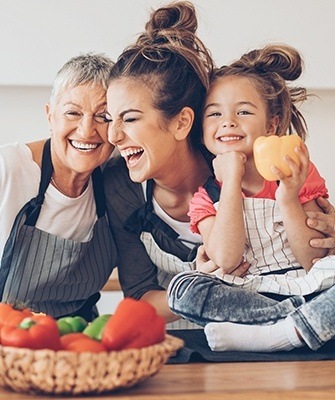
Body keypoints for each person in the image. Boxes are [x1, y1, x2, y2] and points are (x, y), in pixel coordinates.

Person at [167, 44, 335, 352]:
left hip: (308, 284)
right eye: (215, 113)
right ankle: (295, 324)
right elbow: (227, 260)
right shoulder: (206, 196)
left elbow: (313, 261)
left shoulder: (297, 173)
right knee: (182, 289)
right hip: (251, 294)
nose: (228, 121)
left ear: (271, 124)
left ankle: (277, 334)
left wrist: (287, 198)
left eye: (243, 112)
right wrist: (230, 180)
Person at [103, 1, 222, 329]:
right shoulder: (120, 187)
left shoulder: (239, 171)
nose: (113, 135)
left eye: (129, 118)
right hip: (171, 352)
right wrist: (197, 283)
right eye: (110, 119)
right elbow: (140, 295)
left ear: (181, 122)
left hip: (258, 345)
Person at [0, 53, 117, 321]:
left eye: (103, 116)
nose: (87, 130)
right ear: (50, 116)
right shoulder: (8, 169)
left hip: (78, 341)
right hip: (9, 344)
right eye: (73, 113)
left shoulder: (119, 180)